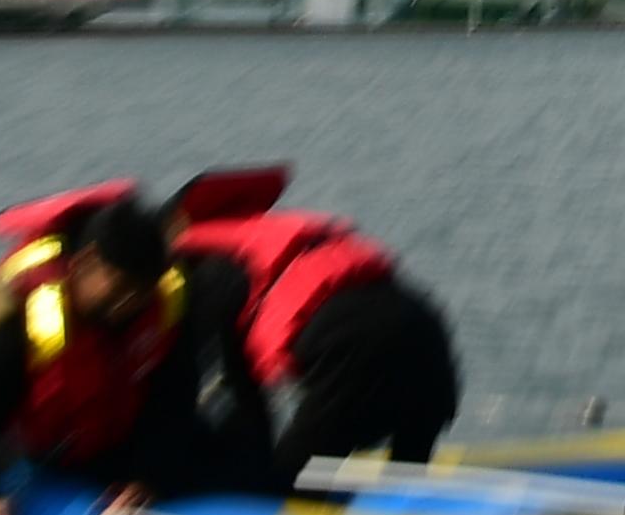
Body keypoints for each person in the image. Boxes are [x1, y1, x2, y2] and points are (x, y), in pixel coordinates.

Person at [0, 180, 274, 515]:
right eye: (120, 288)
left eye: (142, 292)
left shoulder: (159, 308)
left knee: (247, 460)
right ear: (85, 263)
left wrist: (148, 478)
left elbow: (174, 400)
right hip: (51, 458)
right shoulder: (23, 317)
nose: (129, 304)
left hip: (124, 445)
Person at [162, 165, 463, 478]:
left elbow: (237, 393)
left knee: (288, 488)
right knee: (405, 477)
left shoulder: (210, 271)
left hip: (354, 348)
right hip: (426, 332)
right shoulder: (268, 237)